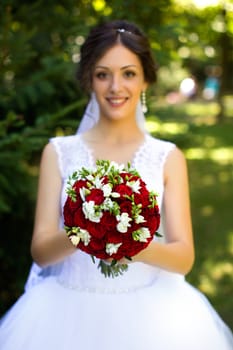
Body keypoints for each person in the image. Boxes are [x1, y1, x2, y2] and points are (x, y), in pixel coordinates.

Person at [0, 20, 232, 350]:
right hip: (65, 314)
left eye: (128, 73)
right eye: (102, 74)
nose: (115, 87)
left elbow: (183, 257)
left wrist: (126, 242)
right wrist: (83, 229)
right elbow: (40, 250)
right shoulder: (59, 152)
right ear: (89, 80)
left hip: (152, 316)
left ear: (145, 79)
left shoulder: (167, 157)